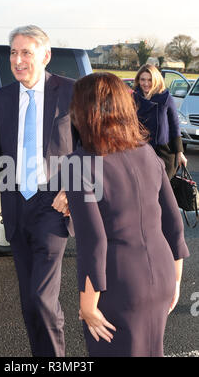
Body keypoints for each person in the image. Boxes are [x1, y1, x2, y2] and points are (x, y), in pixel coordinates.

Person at [63, 72, 189, 357]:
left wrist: (87, 306)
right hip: (163, 273)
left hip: (118, 285)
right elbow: (173, 223)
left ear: (87, 111)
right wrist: (177, 281)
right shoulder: (147, 153)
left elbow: (93, 242)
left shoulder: (78, 164)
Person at [0, 25, 78, 357]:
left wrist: (74, 192)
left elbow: (92, 145)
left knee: (42, 298)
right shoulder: (1, 98)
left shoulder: (71, 92)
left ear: (45, 56)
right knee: (28, 301)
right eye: (13, 53)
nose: (17, 60)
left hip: (53, 206)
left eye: (26, 53)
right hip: (15, 206)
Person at [133, 64, 187, 180]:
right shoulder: (134, 98)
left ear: (156, 80)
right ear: (138, 80)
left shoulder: (165, 98)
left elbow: (174, 125)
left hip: (163, 153)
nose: (146, 83)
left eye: (150, 80)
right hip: (140, 152)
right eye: (143, 79)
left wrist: (179, 152)